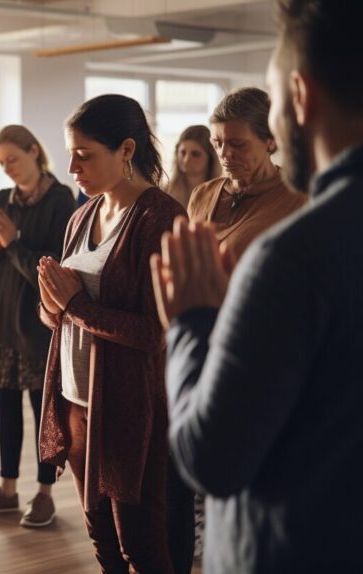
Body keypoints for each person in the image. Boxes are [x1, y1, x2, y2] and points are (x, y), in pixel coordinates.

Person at [151, 1, 363, 571]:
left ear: (299, 96)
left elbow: (211, 459)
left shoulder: (294, 249)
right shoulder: (219, 204)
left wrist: (191, 321)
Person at [37, 94, 184, 573]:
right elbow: (61, 317)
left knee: (139, 545)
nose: (72, 166)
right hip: (76, 399)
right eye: (69, 153)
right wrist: (52, 304)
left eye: (84, 154)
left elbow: (153, 334)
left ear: (125, 150)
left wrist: (74, 306)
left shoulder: (159, 218)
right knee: (100, 537)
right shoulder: (82, 216)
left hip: (128, 407)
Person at [0, 125, 75, 526]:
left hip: (37, 328)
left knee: (42, 414)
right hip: (0, 323)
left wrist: (13, 242)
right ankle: (7, 490)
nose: (7, 168)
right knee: (5, 409)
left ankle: (44, 494)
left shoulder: (62, 200)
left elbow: (52, 268)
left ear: (33, 151)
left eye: (12, 158)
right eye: (0, 162)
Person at [186, 88, 307, 260]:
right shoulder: (202, 194)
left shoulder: (297, 199)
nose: (224, 153)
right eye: (217, 143)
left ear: (270, 143)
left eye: (237, 144)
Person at [165, 125, 221, 209]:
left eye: (195, 154)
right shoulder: (165, 191)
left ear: (211, 158)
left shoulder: (221, 194)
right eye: (183, 152)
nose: (186, 160)